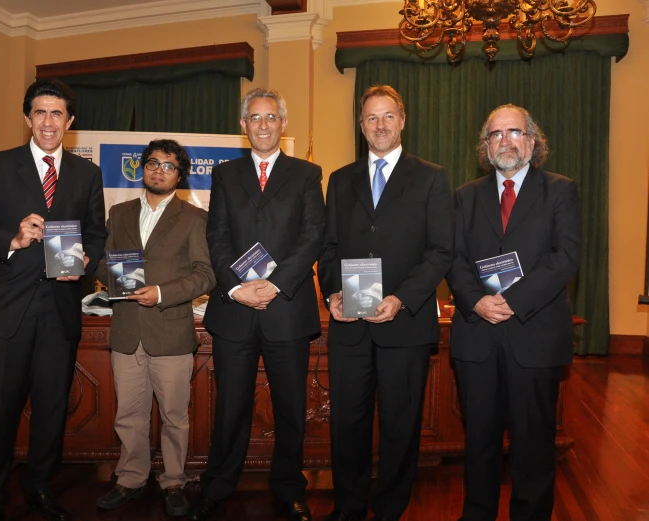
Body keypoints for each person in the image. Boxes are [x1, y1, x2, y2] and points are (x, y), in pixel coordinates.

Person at [0, 78, 107, 521]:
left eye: (57, 113)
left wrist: (86, 258)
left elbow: (96, 233)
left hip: (60, 312)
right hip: (7, 313)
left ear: (70, 121)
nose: (48, 122)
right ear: (27, 118)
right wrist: (12, 239)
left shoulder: (87, 174)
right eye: (39, 112)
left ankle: (40, 486)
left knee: (52, 409)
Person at [188, 88, 326, 521]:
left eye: (271, 118)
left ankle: (288, 486)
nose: (263, 125)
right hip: (235, 309)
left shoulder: (306, 173)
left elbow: (312, 237)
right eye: (254, 118)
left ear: (283, 125)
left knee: (289, 406)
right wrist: (238, 288)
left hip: (286, 308)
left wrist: (274, 285)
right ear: (243, 126)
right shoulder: (226, 175)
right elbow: (217, 236)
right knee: (230, 406)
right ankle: (218, 485)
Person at [317, 85, 454, 521]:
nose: (380, 125)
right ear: (361, 126)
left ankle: (392, 506)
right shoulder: (340, 180)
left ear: (403, 119)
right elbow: (329, 247)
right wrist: (332, 291)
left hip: (405, 322)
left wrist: (401, 298)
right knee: (348, 423)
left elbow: (440, 251)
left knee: (401, 423)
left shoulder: (431, 177)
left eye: (388, 116)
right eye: (371, 118)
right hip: (350, 325)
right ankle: (349, 505)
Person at [445, 104, 582, 521]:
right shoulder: (465, 197)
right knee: (479, 443)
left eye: (514, 132)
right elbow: (453, 258)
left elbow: (566, 257)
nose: (505, 140)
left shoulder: (560, 190)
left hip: (534, 336)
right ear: (485, 147)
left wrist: (513, 301)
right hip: (478, 336)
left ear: (532, 141)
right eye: (495, 134)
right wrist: (477, 301)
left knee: (533, 445)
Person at [93, 139, 215, 517]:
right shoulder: (120, 212)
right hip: (127, 330)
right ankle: (130, 478)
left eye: (168, 165)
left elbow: (205, 275)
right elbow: (102, 263)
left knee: (174, 416)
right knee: (128, 414)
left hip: (170, 331)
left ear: (181, 175)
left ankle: (174, 480)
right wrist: (112, 277)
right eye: (152, 163)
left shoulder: (195, 218)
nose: (158, 170)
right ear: (141, 168)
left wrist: (162, 292)